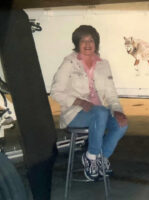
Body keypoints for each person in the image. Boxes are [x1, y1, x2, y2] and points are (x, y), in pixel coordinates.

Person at [50, 25, 128, 181]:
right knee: (100, 112)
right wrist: (77, 101)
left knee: (122, 124)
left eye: (90, 40)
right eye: (83, 41)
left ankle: (102, 158)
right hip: (75, 114)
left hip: (101, 114)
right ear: (77, 44)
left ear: (96, 42)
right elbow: (56, 92)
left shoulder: (103, 64)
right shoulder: (69, 63)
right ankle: (91, 157)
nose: (87, 44)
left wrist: (118, 110)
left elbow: (111, 93)